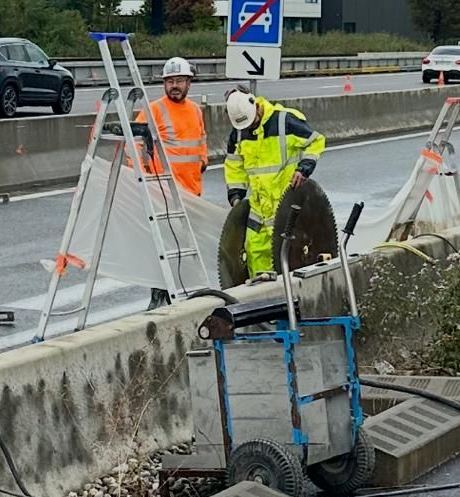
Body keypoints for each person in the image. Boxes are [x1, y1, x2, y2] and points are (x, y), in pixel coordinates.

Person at [223, 87, 326, 278]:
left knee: (291, 258)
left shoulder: (284, 121)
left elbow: (315, 141)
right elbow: (234, 166)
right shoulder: (238, 133)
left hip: (288, 208)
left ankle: (293, 301)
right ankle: (263, 300)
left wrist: (304, 169)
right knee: (254, 254)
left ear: (256, 106)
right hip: (259, 211)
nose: (249, 128)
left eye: (251, 122)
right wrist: (236, 195)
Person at [137, 56, 208, 309]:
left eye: (179, 81)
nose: (174, 86)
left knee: (184, 246)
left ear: (189, 83)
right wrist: (146, 174)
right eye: (170, 81)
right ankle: (159, 293)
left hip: (190, 190)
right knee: (164, 245)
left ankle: (181, 291)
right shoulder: (153, 109)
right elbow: (135, 145)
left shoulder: (195, 110)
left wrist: (203, 160)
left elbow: (200, 140)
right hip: (164, 191)